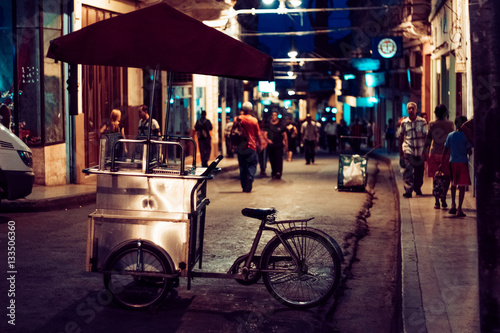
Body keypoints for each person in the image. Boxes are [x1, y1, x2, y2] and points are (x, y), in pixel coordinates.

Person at [441, 116, 472, 217]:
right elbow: (469, 150)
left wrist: (441, 163)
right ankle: (459, 209)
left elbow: (445, 150)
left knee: (453, 185)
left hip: (452, 162)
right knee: (462, 186)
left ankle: (453, 205)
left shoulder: (450, 135)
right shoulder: (466, 136)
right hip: (462, 162)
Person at [424, 104, 454, 209]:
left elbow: (428, 139)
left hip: (434, 153)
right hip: (446, 154)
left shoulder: (432, 124)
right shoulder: (450, 124)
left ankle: (436, 201)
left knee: (436, 177)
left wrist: (425, 151)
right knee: (446, 177)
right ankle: (443, 198)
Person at [399, 102, 428, 198]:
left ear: (416, 110)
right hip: (408, 150)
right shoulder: (404, 123)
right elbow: (401, 136)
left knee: (419, 172)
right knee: (408, 171)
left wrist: (425, 150)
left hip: (420, 151)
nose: (411, 110)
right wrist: (401, 154)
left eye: (413, 108)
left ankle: (417, 188)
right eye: (409, 109)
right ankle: (408, 190)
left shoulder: (422, 122)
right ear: (407, 111)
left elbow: (426, 136)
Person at [235, 102, 261, 192]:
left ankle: (244, 186)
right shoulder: (254, 121)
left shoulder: (237, 119)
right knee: (252, 164)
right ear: (250, 109)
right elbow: (258, 134)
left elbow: (233, 132)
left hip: (240, 147)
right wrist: (260, 145)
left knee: (242, 166)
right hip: (251, 146)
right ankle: (250, 176)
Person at [264, 111, 287, 179]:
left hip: (279, 144)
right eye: (273, 115)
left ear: (277, 116)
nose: (274, 116)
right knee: (272, 159)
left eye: (275, 115)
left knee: (279, 158)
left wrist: (285, 143)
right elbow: (265, 134)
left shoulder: (281, 124)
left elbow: (285, 135)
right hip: (271, 145)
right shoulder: (268, 125)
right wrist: (268, 140)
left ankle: (278, 172)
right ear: (271, 116)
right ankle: (273, 171)